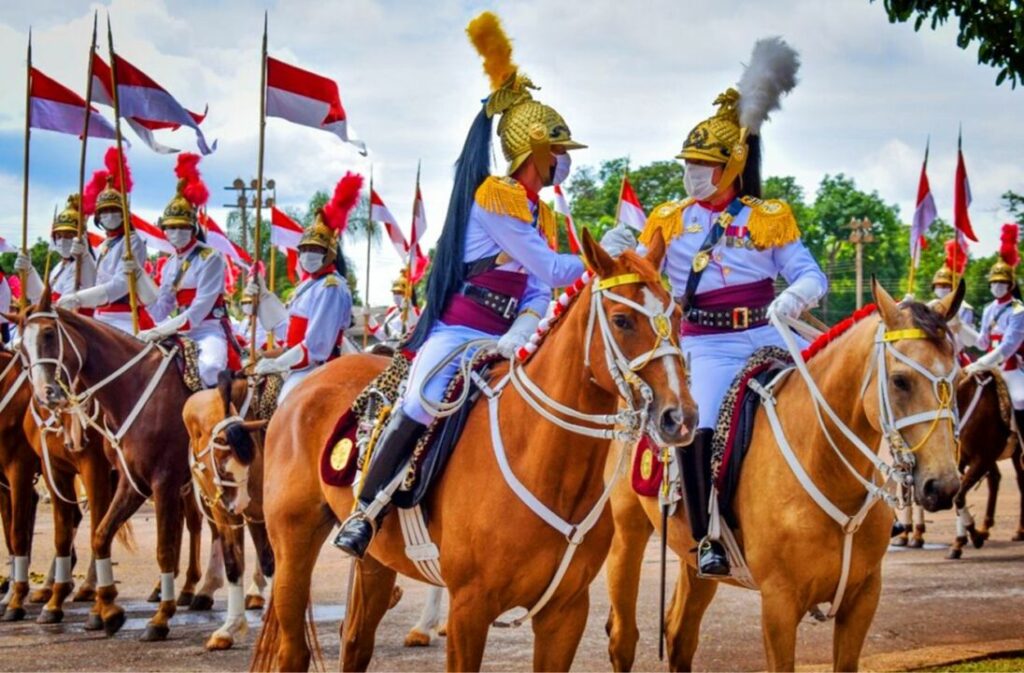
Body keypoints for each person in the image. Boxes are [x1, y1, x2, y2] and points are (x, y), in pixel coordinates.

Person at [332, 11, 587, 559]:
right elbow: (553, 270)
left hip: (506, 336)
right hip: (458, 330)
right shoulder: (495, 199)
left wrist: (520, 333)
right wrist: (602, 260)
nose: (564, 164)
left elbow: (539, 294)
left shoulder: (538, 214)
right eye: (558, 154)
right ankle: (366, 509)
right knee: (422, 399)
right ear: (534, 153)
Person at [602, 38, 827, 576]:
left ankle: (866, 503)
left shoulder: (768, 216)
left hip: (770, 331)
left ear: (730, 167)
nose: (692, 172)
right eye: (689, 163)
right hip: (706, 342)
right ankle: (706, 534)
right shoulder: (669, 218)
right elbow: (639, 268)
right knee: (695, 423)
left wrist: (794, 297)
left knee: (837, 390)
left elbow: (811, 273)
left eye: (703, 163)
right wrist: (617, 248)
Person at [250, 173, 358, 402]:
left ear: (329, 254)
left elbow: (316, 346)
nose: (309, 255)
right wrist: (263, 297)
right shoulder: (308, 284)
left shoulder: (331, 287)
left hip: (316, 366)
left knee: (286, 400)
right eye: (305, 249)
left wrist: (278, 363)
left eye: (316, 250)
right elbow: (286, 329)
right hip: (295, 360)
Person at [138, 154, 235, 388]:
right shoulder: (170, 263)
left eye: (181, 227)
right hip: (178, 332)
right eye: (170, 228)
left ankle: (219, 421)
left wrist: (160, 330)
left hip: (208, 329)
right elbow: (161, 309)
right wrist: (138, 279)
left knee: (210, 368)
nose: (175, 232)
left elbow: (198, 311)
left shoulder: (210, 257)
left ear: (193, 228)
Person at [55, 148, 158, 332]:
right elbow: (94, 279)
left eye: (114, 210)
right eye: (104, 212)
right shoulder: (103, 245)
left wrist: (79, 298)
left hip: (124, 317)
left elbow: (120, 285)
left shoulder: (132, 241)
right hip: (99, 316)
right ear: (98, 217)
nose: (108, 215)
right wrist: (85, 255)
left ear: (124, 214)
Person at [960, 224, 1024, 425]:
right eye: (994, 282)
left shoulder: (1018, 309)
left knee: (1020, 399)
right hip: (988, 366)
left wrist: (980, 363)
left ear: (1010, 285)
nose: (997, 286)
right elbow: (981, 342)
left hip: (1009, 367)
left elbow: (1008, 346)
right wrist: (959, 325)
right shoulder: (989, 309)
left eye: (1002, 282)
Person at [15, 195, 97, 310]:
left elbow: (65, 308)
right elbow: (41, 298)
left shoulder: (85, 264)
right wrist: (29, 271)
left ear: (81, 237)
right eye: (59, 236)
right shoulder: (58, 267)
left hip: (74, 324)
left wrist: (83, 256)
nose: (63, 240)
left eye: (69, 235)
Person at [931, 240, 974, 327]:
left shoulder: (964, 309)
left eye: (945, 286)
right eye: (938, 285)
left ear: (952, 287)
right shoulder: (930, 306)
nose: (941, 288)